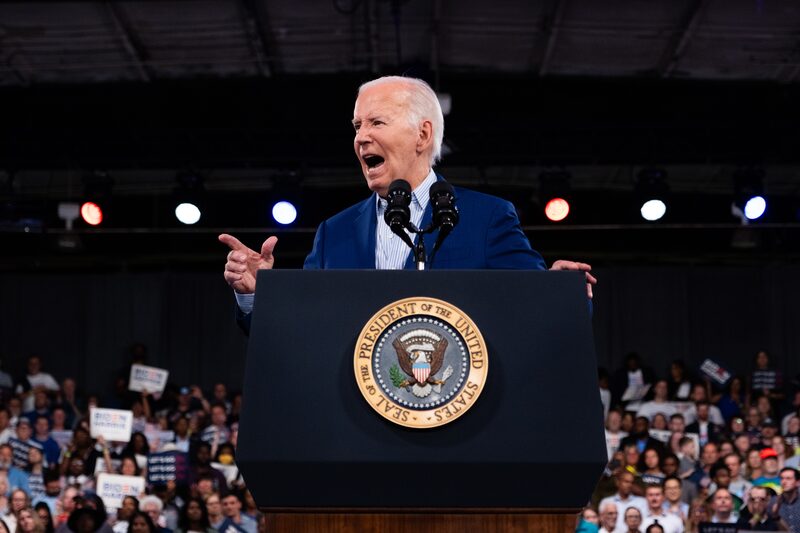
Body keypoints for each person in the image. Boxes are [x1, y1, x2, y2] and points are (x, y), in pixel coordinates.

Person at [219, 76, 596, 332]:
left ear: (423, 133)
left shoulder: (487, 218)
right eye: (356, 126)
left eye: (376, 123)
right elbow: (299, 329)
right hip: (360, 433)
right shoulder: (335, 233)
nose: (361, 138)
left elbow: (541, 310)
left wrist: (558, 289)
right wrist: (256, 294)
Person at [767, 467, 799, 531]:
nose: (784, 482)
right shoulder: (773, 502)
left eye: (788, 478)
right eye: (782, 478)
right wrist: (775, 515)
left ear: (798, 482)